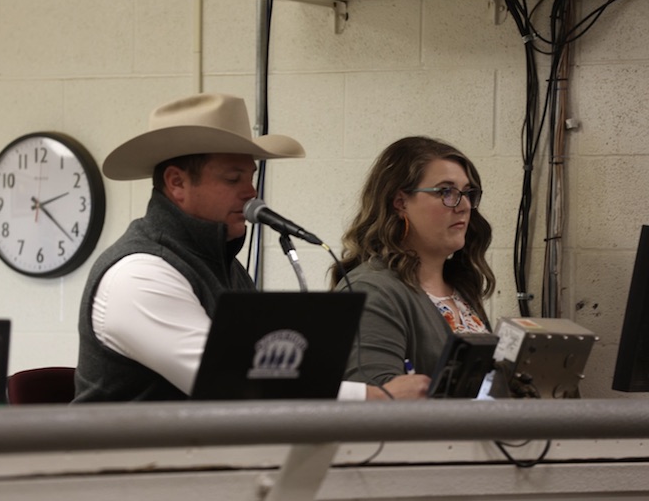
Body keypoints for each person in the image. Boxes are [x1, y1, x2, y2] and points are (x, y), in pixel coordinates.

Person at [74, 92, 325, 402]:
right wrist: (367, 396)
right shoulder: (138, 274)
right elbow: (232, 381)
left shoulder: (222, 264)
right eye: (233, 179)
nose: (251, 193)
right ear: (177, 183)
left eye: (251, 177)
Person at [330, 136, 495, 400]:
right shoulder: (372, 290)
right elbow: (374, 401)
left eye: (467, 193)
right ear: (400, 203)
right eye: (446, 192)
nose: (464, 206)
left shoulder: (460, 287)